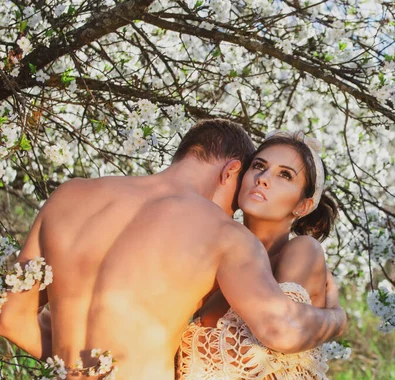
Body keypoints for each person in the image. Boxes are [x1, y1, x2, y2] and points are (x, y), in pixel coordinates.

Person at [0, 119, 346, 379]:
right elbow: (280, 330)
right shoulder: (223, 233)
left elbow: (11, 318)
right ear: (231, 172)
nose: (231, 212)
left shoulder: (69, 195)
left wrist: (82, 369)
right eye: (255, 170)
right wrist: (337, 318)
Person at [177, 131, 339, 379]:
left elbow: (278, 342)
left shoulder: (302, 250)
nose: (263, 179)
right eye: (259, 166)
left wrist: (337, 319)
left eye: (284, 175)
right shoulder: (218, 260)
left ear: (302, 206)